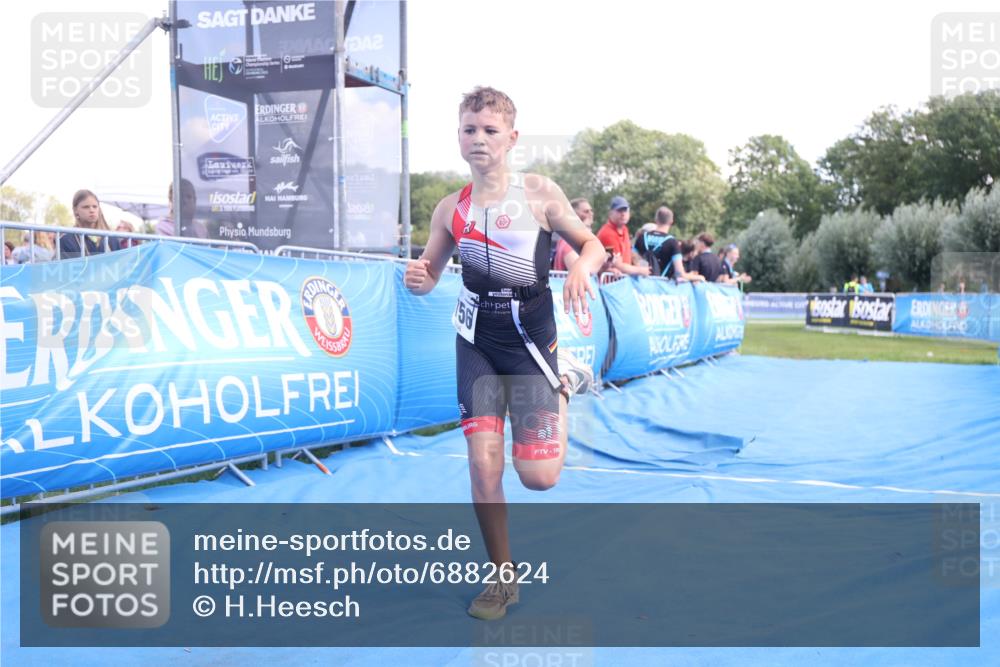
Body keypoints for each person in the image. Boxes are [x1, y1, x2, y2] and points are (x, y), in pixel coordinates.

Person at [403, 86, 606, 621]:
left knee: (539, 478)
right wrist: (418, 278)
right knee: (482, 464)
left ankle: (558, 388)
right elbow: (427, 276)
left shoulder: (539, 193)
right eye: (470, 129)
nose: (479, 139)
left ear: (512, 139)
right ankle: (501, 577)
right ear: (459, 137)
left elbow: (593, 245)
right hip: (476, 342)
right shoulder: (451, 209)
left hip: (531, 343)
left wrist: (582, 266)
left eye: (490, 130)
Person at [634, 206, 705, 282]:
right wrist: (699, 277)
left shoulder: (642, 237)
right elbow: (680, 273)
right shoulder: (672, 242)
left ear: (656, 219)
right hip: (660, 287)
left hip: (640, 284)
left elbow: (633, 258)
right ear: (671, 221)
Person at [595, 196, 650, 277]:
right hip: (610, 283)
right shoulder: (607, 233)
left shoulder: (624, 229)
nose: (623, 214)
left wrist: (637, 262)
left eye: (625, 210)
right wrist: (641, 270)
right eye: (619, 210)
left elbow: (628, 253)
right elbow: (617, 265)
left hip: (620, 282)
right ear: (610, 213)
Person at [60, 190, 121, 258]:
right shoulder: (67, 240)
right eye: (86, 207)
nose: (92, 210)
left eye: (95, 206)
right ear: (75, 210)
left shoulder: (111, 238)